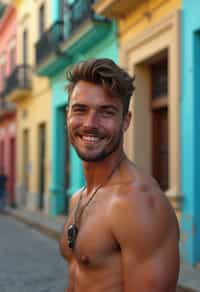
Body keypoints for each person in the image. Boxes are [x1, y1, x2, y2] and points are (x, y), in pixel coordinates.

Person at [60, 58, 180, 292]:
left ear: (125, 121)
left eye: (106, 112)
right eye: (80, 110)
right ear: (67, 115)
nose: (90, 123)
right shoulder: (80, 197)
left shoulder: (139, 203)